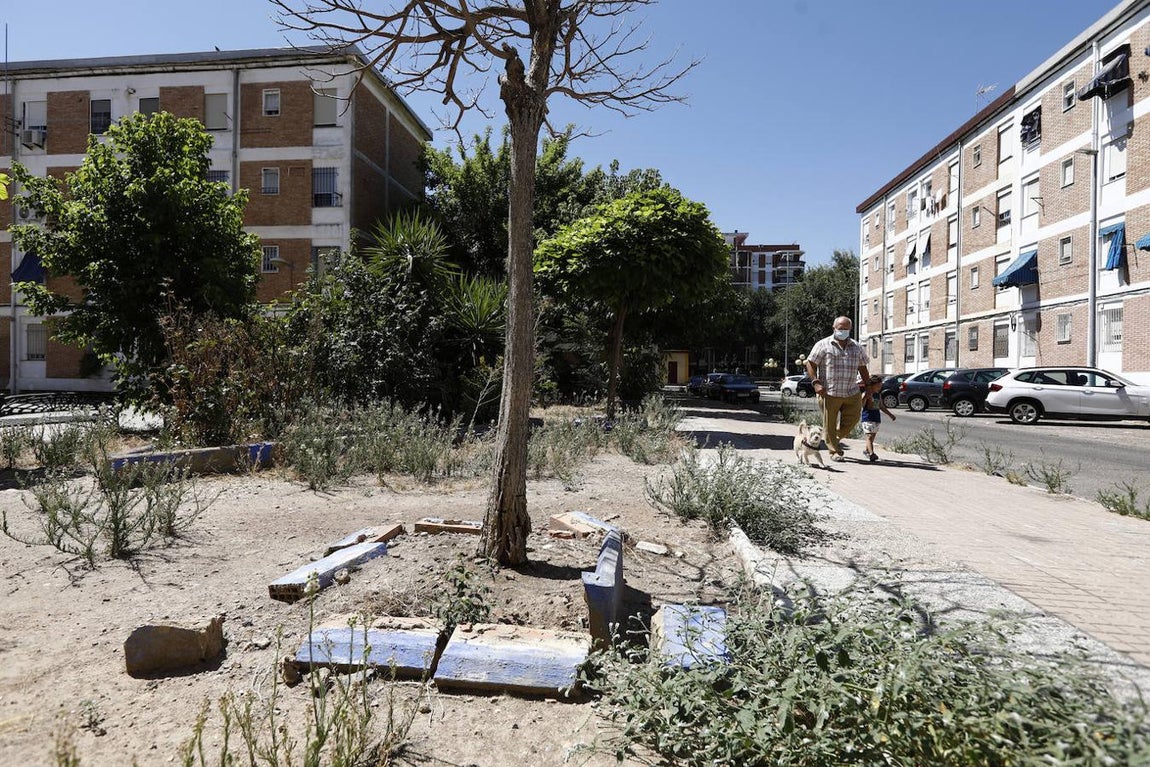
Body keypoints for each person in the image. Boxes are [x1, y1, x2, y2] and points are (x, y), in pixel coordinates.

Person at [805, 317, 870, 462]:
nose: (843, 331)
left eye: (846, 329)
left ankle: (833, 438)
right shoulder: (823, 344)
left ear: (850, 329)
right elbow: (810, 363)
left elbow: (863, 368)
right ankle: (834, 451)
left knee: (853, 419)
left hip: (852, 391)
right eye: (840, 328)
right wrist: (815, 382)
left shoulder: (857, 347)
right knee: (830, 424)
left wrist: (869, 387)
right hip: (829, 392)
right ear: (834, 328)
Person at [860, 374, 895, 462]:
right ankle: (872, 454)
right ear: (872, 385)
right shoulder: (866, 394)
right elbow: (862, 405)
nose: (880, 387)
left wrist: (890, 415)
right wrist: (865, 397)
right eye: (878, 385)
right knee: (869, 436)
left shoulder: (877, 395)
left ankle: (867, 451)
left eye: (880, 385)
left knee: (872, 437)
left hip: (876, 418)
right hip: (867, 418)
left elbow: (881, 406)